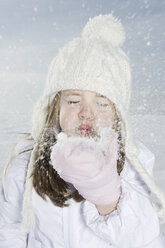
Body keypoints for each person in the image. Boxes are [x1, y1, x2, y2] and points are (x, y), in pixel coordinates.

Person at [0, 14, 165, 248]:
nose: (87, 113)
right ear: (55, 107)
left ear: (118, 114)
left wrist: (107, 197)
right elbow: (11, 231)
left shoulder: (134, 164)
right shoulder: (26, 163)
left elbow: (146, 240)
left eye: (102, 103)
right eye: (74, 101)